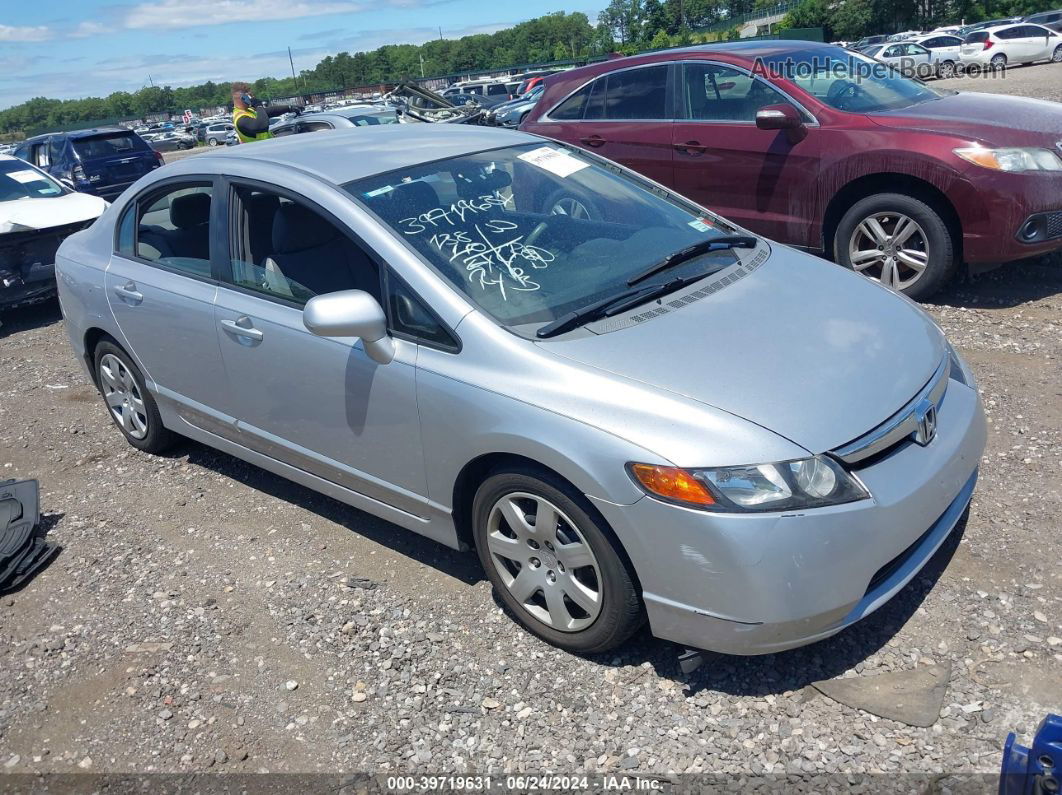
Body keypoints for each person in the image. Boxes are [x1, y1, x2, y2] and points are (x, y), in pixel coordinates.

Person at [231, 83, 301, 143]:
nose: (253, 97)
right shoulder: (240, 119)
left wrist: (289, 108)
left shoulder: (248, 111)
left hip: (267, 148)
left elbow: (268, 112)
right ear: (244, 98)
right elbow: (262, 125)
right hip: (259, 153)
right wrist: (258, 106)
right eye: (250, 96)